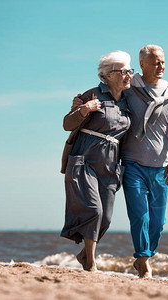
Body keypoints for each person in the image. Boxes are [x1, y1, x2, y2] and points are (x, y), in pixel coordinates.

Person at [60, 50, 133, 272]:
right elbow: (67, 124)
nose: (128, 75)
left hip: (110, 163)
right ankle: (91, 263)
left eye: (130, 71)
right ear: (107, 75)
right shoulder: (92, 94)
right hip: (85, 158)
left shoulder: (130, 100)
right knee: (94, 210)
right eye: (123, 71)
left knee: (107, 217)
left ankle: (84, 255)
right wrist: (83, 109)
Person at [121, 44, 168, 278]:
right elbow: (108, 95)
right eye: (156, 62)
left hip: (160, 168)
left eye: (163, 62)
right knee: (140, 216)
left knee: (158, 221)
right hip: (133, 165)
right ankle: (143, 261)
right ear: (143, 65)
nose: (161, 66)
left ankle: (145, 255)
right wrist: (83, 99)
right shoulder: (130, 89)